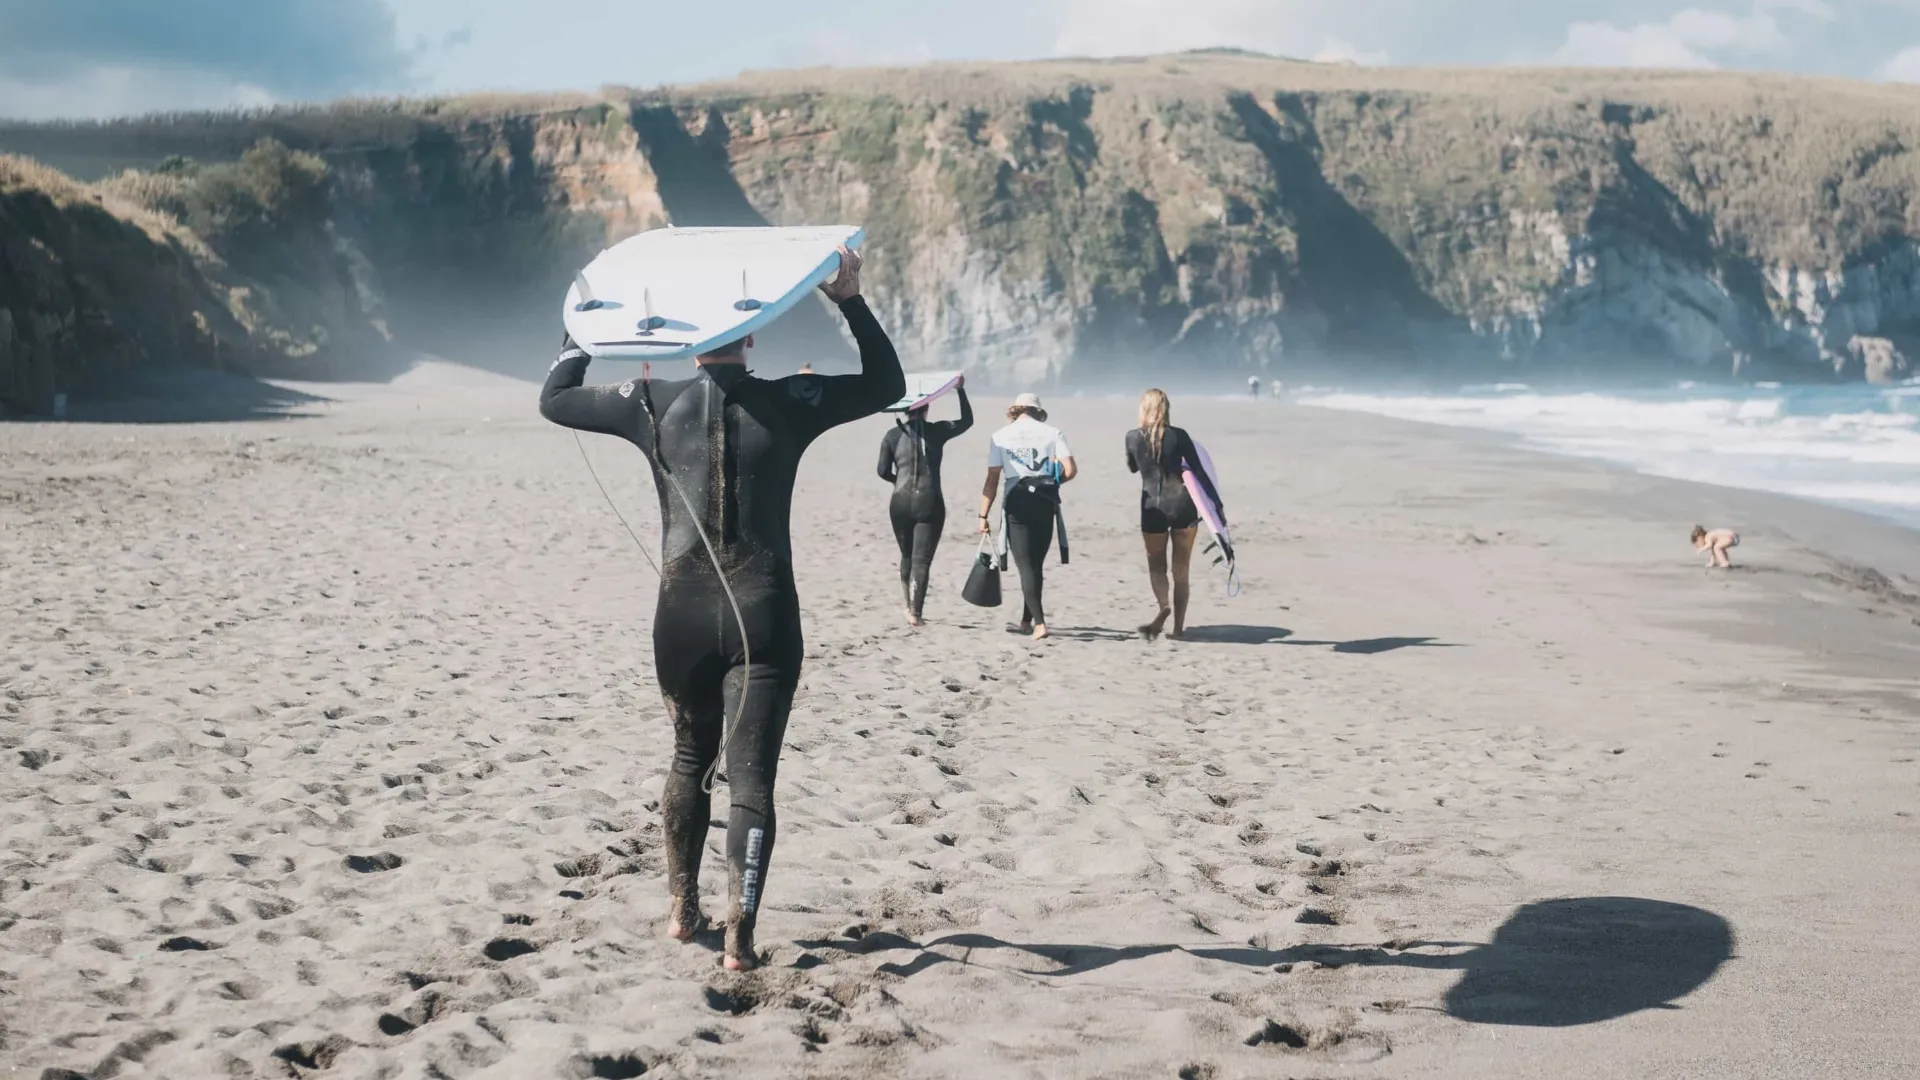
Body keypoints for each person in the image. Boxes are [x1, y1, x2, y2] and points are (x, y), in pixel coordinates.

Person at [538, 246, 903, 971]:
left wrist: (586, 328)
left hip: (679, 615)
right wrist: (850, 297)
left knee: (686, 758)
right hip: (763, 612)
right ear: (752, 332)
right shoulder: (791, 401)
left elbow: (555, 398)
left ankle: (682, 910)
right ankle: (740, 939)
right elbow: (887, 382)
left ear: (689, 338)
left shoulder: (649, 401)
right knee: (752, 781)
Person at [1126, 389, 1223, 640]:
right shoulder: (1180, 436)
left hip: (1152, 508)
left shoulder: (1132, 437)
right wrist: (1216, 507)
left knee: (1157, 567)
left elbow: (1133, 467)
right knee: (1182, 571)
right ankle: (1178, 629)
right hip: (1183, 506)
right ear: (1166, 408)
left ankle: (1164, 606)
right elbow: (1199, 473)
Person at [980, 393, 1076, 639]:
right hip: (1045, 500)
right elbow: (1070, 470)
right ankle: (1026, 620)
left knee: (1026, 566)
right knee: (1035, 565)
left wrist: (983, 514)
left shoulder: (1000, 436)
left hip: (1017, 500)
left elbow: (992, 479)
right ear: (1037, 412)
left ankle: (1040, 624)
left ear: (1016, 410)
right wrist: (1053, 483)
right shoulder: (1054, 433)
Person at [877, 379, 973, 626]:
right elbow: (966, 421)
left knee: (906, 555)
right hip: (929, 499)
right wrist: (960, 390)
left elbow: (881, 470)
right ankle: (916, 614)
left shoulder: (892, 435)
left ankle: (906, 603)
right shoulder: (937, 431)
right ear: (926, 409)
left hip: (899, 500)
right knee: (922, 559)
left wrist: (898, 482)